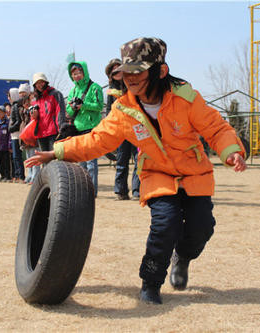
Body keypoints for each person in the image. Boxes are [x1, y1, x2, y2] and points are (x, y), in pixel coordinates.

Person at [25, 37, 247, 305]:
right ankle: (151, 283)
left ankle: (184, 257)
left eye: (138, 71)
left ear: (160, 71)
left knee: (202, 228)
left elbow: (216, 128)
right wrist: (57, 151)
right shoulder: (124, 109)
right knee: (165, 225)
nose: (130, 78)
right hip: (156, 174)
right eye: (126, 72)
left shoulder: (186, 97)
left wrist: (231, 150)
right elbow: (97, 140)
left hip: (194, 173)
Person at [65, 61, 104, 197]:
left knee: (91, 162)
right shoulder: (73, 90)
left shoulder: (95, 87)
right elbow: (68, 111)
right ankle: (83, 190)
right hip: (77, 127)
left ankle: (92, 191)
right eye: (74, 74)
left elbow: (99, 106)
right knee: (81, 162)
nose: (76, 76)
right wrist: (73, 106)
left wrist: (84, 105)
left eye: (78, 73)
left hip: (92, 127)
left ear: (84, 72)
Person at [105, 58, 140, 200]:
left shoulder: (133, 85)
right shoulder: (111, 92)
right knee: (121, 160)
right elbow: (109, 111)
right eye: (113, 70)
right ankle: (121, 191)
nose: (117, 72)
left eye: (119, 68)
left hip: (137, 127)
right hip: (121, 129)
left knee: (139, 159)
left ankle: (137, 190)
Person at [30, 72, 66, 152]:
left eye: (41, 82)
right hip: (41, 134)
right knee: (45, 160)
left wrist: (61, 129)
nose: (39, 85)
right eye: (37, 83)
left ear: (46, 82)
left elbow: (60, 111)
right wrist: (33, 116)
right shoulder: (34, 100)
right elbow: (32, 119)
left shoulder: (55, 94)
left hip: (54, 132)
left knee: (55, 158)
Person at [19, 96, 40, 184]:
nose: (26, 104)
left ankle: (35, 176)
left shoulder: (34, 110)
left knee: (34, 157)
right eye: (24, 103)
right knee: (28, 157)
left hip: (33, 136)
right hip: (26, 136)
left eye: (28, 101)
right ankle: (30, 175)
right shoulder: (23, 113)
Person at [8, 87, 25, 183]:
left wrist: (11, 128)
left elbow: (18, 121)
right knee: (15, 156)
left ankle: (20, 175)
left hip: (16, 134)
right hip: (14, 134)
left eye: (9, 96)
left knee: (17, 156)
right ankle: (17, 175)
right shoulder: (14, 106)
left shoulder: (15, 106)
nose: (8, 98)